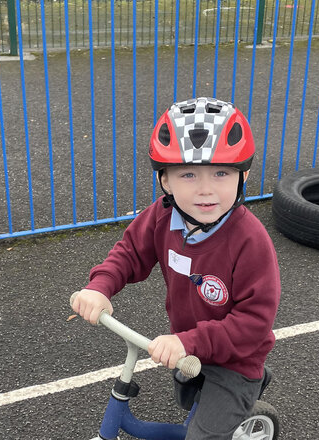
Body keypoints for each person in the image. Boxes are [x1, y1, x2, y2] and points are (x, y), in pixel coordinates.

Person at [71, 97, 281, 439]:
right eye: (187, 174)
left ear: (243, 175)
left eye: (221, 173)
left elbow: (254, 324)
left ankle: (251, 384)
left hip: (236, 360)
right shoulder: (162, 217)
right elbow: (129, 253)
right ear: (165, 180)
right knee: (187, 399)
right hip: (190, 345)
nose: (206, 189)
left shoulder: (250, 241)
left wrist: (188, 341)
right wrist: (100, 286)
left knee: (204, 434)